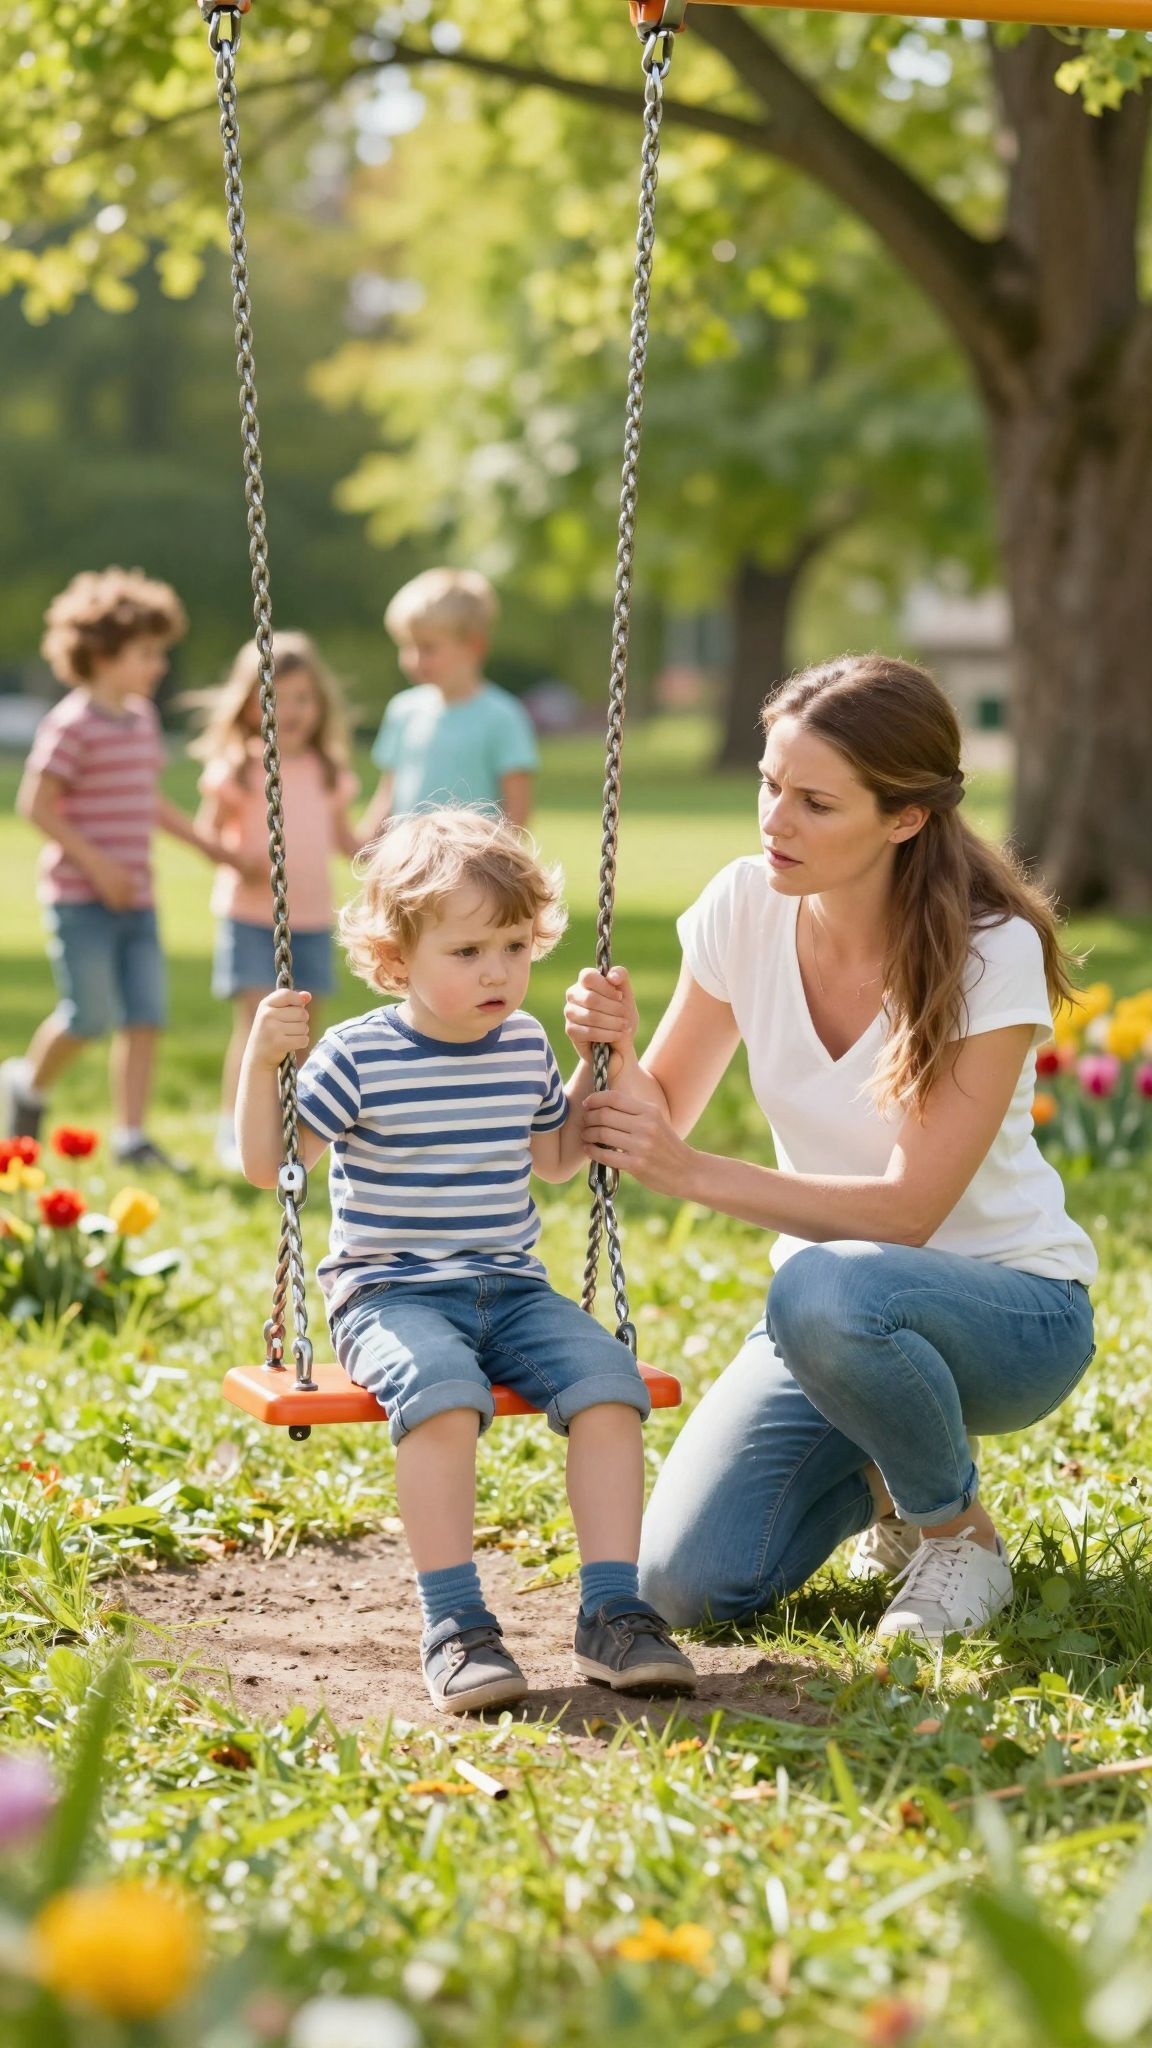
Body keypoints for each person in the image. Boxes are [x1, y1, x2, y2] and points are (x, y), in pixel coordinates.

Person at [567, 655, 1097, 1646]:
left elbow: (907, 1213)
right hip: (830, 1327)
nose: (776, 819)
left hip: (1011, 1314)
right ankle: (882, 1485)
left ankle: (956, 1533)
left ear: (904, 818)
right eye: (771, 784)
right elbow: (661, 1107)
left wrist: (690, 1175)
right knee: (683, 1583)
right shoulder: (743, 905)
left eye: (815, 801)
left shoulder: (991, 950)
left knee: (820, 1286)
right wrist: (616, 1055)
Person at [234, 807, 696, 1713]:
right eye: (469, 951)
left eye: (517, 947)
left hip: (513, 1290)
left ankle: (612, 1612)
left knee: (611, 1385)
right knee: (445, 1394)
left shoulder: (523, 1045)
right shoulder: (356, 1056)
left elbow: (558, 1163)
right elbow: (270, 1166)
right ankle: (456, 1623)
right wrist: (261, 1063)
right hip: (390, 1296)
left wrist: (593, 1063)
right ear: (397, 959)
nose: (500, 972)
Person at [1, 567, 232, 1167]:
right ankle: (27, 1083)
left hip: (138, 899)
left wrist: (205, 844)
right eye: (147, 653)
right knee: (89, 1016)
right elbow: (37, 805)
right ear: (102, 656)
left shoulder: (140, 720)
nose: (159, 665)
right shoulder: (71, 725)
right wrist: (98, 867)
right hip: (81, 900)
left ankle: (131, 1137)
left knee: (145, 1016)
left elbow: (145, 798)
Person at [189, 632, 362, 1169]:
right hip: (249, 917)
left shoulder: (327, 770)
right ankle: (233, 1127)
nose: (292, 711)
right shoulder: (240, 767)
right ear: (248, 701)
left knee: (303, 1034)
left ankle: (295, 1124)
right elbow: (207, 835)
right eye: (277, 696)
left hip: (310, 920)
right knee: (256, 1026)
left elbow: (347, 842)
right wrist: (236, 860)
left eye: (303, 698)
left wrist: (391, 830)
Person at [359, 568, 538, 836]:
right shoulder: (402, 710)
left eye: (428, 648)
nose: (414, 659)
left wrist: (500, 868)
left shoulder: (502, 716)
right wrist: (363, 843)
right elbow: (388, 795)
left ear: (474, 647)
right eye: (407, 646)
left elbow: (517, 811)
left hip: (472, 868)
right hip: (409, 862)